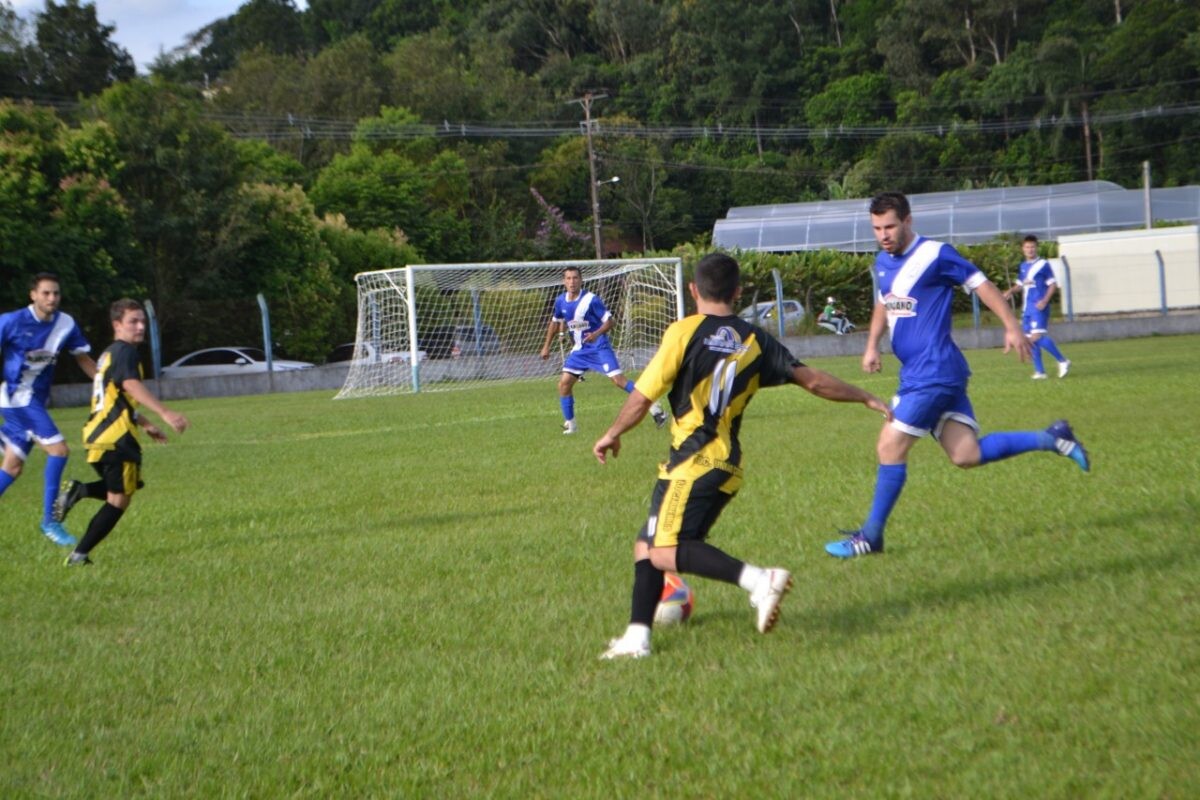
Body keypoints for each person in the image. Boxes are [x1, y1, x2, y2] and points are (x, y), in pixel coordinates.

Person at [593, 253, 892, 659]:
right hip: (724, 465)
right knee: (647, 544)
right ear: (738, 292)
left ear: (694, 290)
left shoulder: (683, 332)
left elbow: (643, 397)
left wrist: (612, 433)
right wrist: (865, 396)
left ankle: (759, 580)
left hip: (694, 461)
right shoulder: (755, 340)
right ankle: (637, 636)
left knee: (665, 550)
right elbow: (815, 382)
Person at [825, 192, 1090, 560]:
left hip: (932, 373)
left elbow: (980, 284)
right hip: (929, 373)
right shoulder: (883, 261)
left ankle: (870, 536)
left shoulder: (936, 254)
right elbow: (884, 302)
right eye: (876, 228)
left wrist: (1011, 326)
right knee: (966, 454)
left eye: (889, 226)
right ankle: (1053, 439)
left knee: (889, 446)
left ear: (907, 221)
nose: (883, 234)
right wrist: (872, 344)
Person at [56, 299, 189, 566]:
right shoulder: (125, 352)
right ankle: (79, 554)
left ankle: (79, 492)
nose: (140, 327)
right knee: (118, 500)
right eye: (133, 322)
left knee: (124, 488)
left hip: (96, 437)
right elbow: (129, 385)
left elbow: (115, 397)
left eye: (143, 321)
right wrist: (165, 412)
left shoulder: (108, 355)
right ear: (117, 325)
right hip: (116, 438)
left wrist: (147, 423)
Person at [0, 273, 97, 546]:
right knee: (59, 450)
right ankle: (50, 522)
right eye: (45, 293)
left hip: (34, 400)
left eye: (55, 293)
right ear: (33, 295)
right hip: (16, 398)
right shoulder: (10, 322)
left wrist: (105, 383)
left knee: (13, 466)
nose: (51, 298)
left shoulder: (65, 324)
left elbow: (83, 359)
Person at [539, 266, 667, 434]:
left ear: (581, 280)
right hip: (580, 350)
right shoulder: (560, 301)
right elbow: (555, 322)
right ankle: (571, 424)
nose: (572, 282)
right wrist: (546, 345)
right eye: (568, 278)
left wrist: (596, 334)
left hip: (599, 346)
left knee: (618, 381)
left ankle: (654, 407)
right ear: (564, 281)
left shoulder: (591, 300)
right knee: (564, 384)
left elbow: (610, 322)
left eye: (575, 278)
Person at [1002, 235, 1071, 379]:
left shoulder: (1043, 264)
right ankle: (1040, 372)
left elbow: (1052, 285)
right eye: (1027, 247)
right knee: (1028, 339)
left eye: (1032, 247)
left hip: (1038, 306)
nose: (1030, 249)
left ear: (1036, 248)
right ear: (1023, 249)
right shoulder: (1023, 266)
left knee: (1036, 337)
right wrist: (1009, 291)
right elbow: (1020, 285)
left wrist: (1045, 301)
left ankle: (1062, 360)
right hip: (1027, 308)